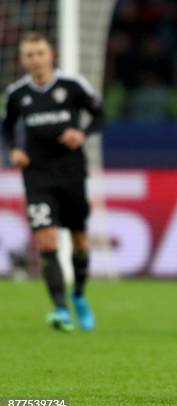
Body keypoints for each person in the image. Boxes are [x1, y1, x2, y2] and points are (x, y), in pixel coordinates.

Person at [2, 32, 103, 332]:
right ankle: (60, 309)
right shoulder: (17, 94)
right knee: (46, 240)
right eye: (29, 55)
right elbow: (7, 128)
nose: (35, 59)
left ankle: (79, 296)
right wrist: (15, 149)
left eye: (40, 53)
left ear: (51, 55)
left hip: (72, 173)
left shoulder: (73, 87)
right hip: (37, 176)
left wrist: (82, 133)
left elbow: (100, 115)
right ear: (22, 60)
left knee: (79, 240)